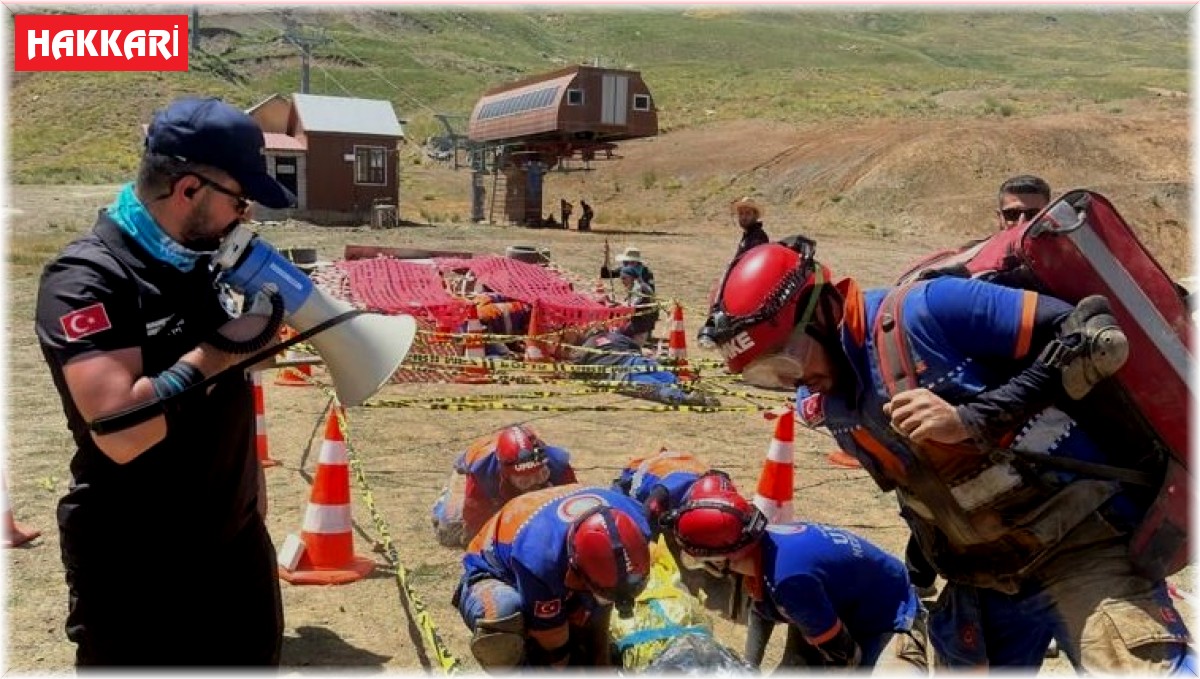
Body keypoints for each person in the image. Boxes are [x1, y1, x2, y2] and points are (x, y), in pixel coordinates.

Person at [705, 240, 1194, 672]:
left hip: (1076, 548)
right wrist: (925, 547)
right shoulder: (830, 401)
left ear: (824, 310)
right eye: (766, 376)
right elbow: (916, 475)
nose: (790, 381)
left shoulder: (930, 311)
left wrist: (972, 419)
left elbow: (1088, 331)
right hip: (977, 577)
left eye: (785, 361)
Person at [34, 96, 296, 666]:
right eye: (240, 199)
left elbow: (214, 392)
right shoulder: (85, 279)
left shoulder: (193, 260)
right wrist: (227, 347)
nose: (245, 216)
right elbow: (121, 431)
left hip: (231, 545)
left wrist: (248, 486)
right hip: (136, 569)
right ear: (189, 191)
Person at [661, 472, 922, 669]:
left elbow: (844, 653)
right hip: (835, 604)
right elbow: (761, 610)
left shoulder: (788, 579)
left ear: (720, 559)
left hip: (889, 616)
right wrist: (750, 668)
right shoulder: (764, 545)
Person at [455, 484, 652, 669]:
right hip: (493, 571)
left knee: (587, 648)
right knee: (504, 622)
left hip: (558, 564)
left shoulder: (637, 520)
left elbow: (606, 593)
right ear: (574, 569)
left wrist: (601, 662)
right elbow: (554, 643)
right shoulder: (540, 559)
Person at [431, 424, 578, 547]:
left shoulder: (558, 465)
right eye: (524, 481)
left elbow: (575, 505)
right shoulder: (482, 474)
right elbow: (475, 523)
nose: (533, 485)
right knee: (450, 530)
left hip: (507, 489)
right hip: (471, 472)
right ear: (505, 475)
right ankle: (445, 499)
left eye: (540, 475)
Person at [561, 328, 718, 408]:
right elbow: (636, 346)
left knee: (655, 389)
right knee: (670, 379)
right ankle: (689, 391)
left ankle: (686, 398)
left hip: (622, 374)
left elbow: (575, 371)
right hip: (637, 361)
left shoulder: (584, 349)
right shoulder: (614, 336)